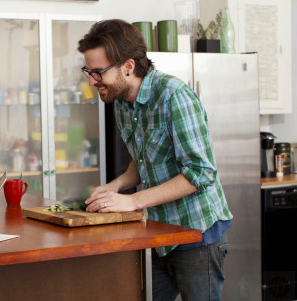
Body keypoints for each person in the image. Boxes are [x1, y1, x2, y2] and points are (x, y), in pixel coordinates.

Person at [78, 19, 233, 301]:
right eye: (88, 72)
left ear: (128, 66)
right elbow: (146, 158)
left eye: (98, 72)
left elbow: (200, 172)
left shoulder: (174, 96)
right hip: (158, 233)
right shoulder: (122, 102)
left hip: (196, 232)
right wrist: (115, 186)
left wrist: (132, 201)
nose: (91, 81)